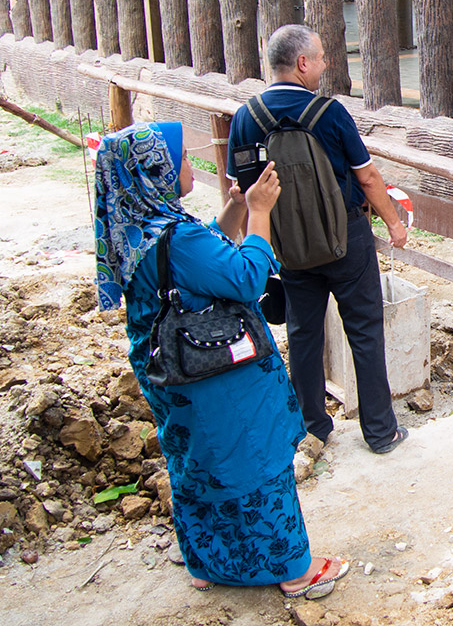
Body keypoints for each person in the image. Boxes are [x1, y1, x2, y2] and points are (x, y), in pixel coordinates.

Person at [94, 122, 348, 598]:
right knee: (257, 460)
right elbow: (248, 277)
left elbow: (192, 262)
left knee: (197, 464)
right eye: (182, 159)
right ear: (157, 173)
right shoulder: (178, 237)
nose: (191, 164)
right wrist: (258, 214)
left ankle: (208, 562)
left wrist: (232, 211)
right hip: (215, 376)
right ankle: (294, 570)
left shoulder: (140, 229)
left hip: (170, 372)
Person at [226, 24, 410, 454]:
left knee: (303, 334)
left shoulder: (245, 118)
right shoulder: (329, 113)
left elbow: (241, 191)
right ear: (302, 63)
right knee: (364, 331)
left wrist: (246, 244)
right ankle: (381, 433)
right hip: (346, 241)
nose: (326, 64)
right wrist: (394, 224)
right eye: (323, 57)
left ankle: (312, 427)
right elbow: (367, 177)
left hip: (287, 249)